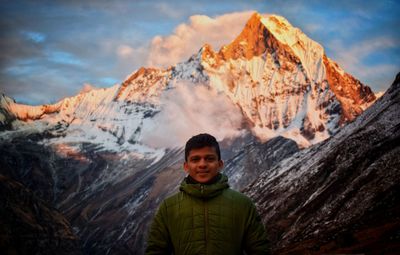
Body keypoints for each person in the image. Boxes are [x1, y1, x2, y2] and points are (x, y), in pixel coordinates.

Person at [145, 133, 270, 255]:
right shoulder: (168, 208)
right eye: (195, 159)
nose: (202, 164)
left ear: (220, 164)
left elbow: (260, 250)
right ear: (186, 166)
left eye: (209, 159)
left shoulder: (243, 205)